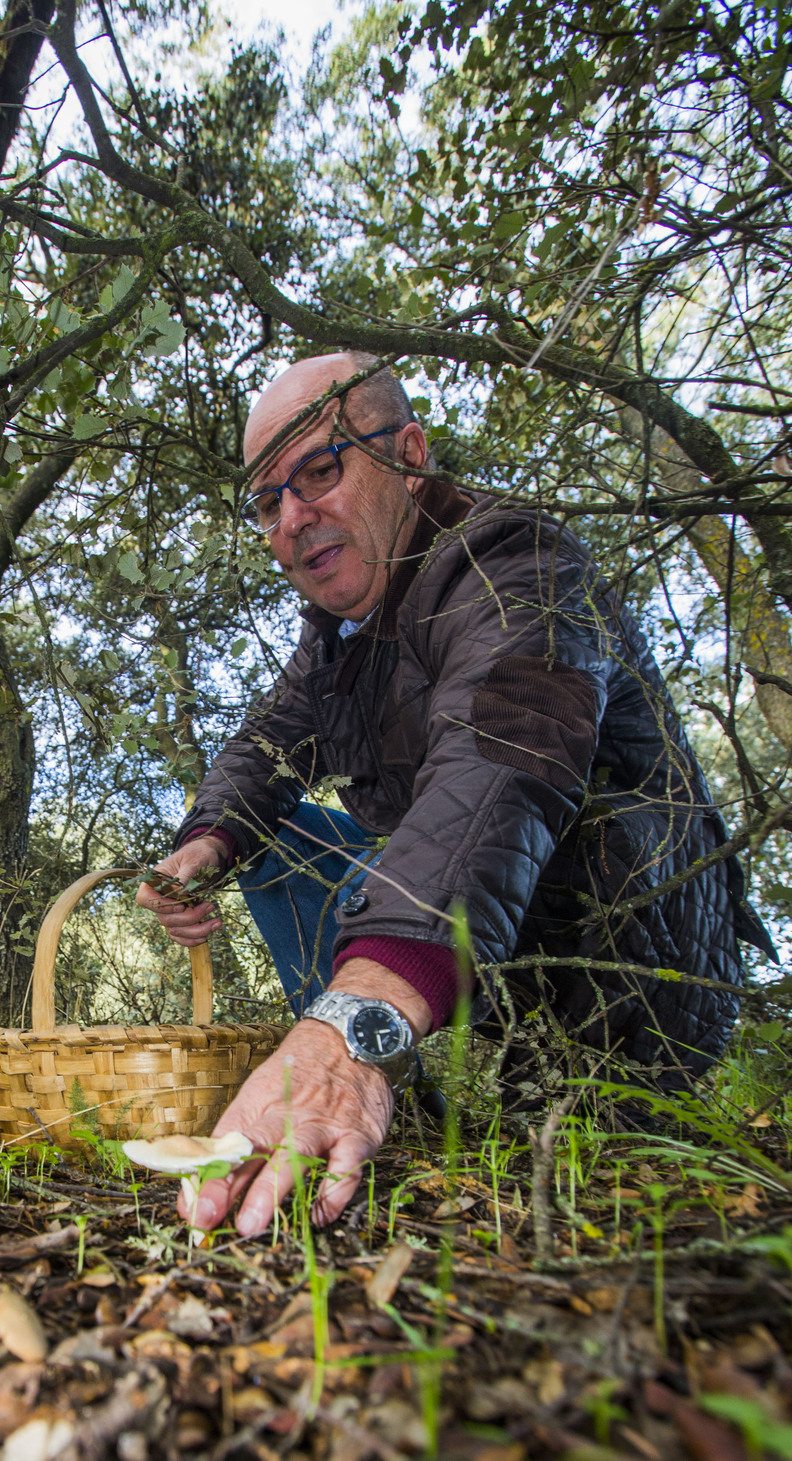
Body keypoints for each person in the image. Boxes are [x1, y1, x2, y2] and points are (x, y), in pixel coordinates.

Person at [136, 352, 774, 1238]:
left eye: (318, 470)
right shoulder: (336, 642)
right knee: (277, 841)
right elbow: (266, 746)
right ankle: (399, 1091)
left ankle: (358, 1057)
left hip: (630, 943)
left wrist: (352, 1025)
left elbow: (498, 765)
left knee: (587, 1153)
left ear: (408, 453)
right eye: (266, 500)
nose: (291, 516)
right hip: (491, 946)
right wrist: (205, 843)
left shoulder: (516, 561)